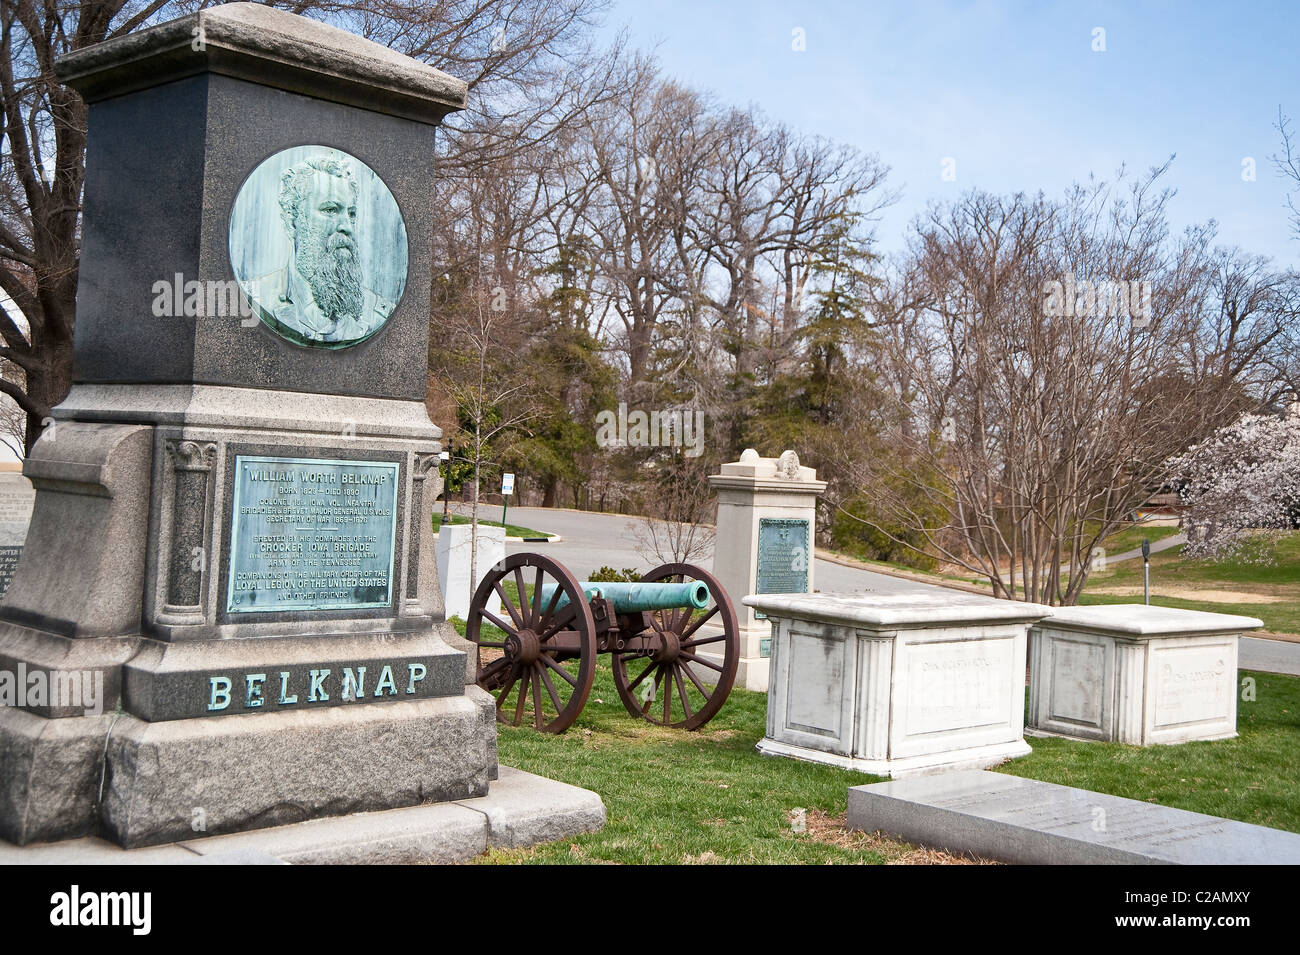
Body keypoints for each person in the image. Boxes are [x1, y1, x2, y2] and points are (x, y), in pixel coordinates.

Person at [241, 156, 393, 346]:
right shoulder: (256, 295)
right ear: (292, 221)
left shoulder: (378, 312)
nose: (347, 226)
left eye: (351, 213)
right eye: (330, 210)